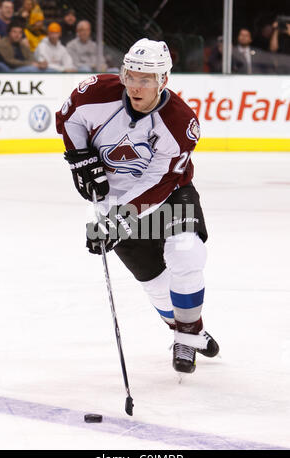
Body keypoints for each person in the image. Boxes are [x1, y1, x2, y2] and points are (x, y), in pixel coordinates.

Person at [56, 38, 220, 375]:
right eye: (130, 75)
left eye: (145, 79)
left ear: (163, 81)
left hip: (170, 193)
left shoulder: (179, 122)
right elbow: (68, 118)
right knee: (155, 283)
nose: (135, 85)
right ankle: (187, 329)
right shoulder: (96, 92)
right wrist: (78, 157)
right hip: (113, 197)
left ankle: (187, 339)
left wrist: (118, 220)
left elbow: (159, 181)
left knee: (187, 252)